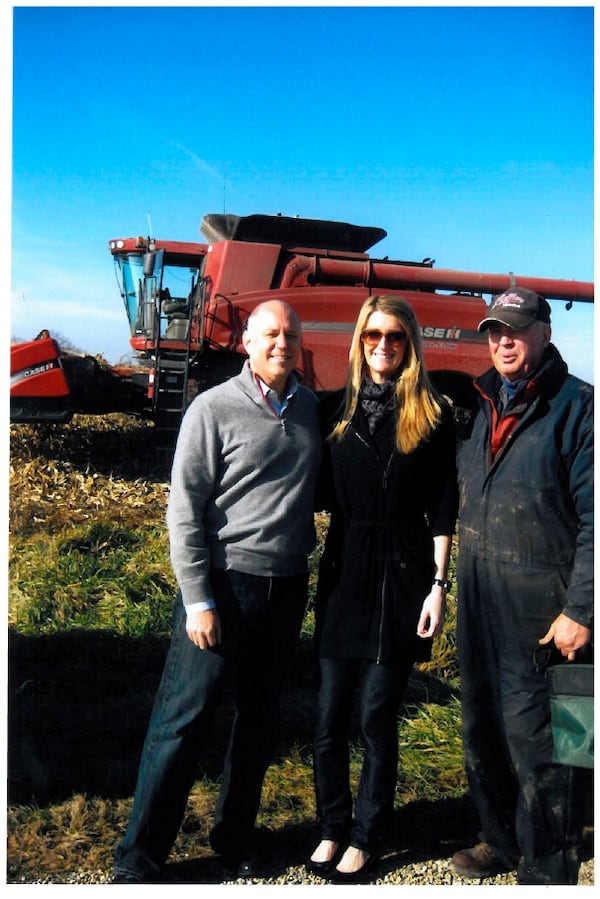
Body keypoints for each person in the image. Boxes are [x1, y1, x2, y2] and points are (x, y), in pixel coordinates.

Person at [113, 300, 322, 883]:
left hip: (286, 586)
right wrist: (198, 598)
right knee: (182, 721)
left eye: (291, 333)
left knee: (258, 721)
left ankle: (235, 838)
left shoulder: (309, 407)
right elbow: (184, 512)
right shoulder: (213, 409)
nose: (282, 342)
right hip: (226, 587)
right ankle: (140, 855)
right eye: (270, 334)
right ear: (247, 344)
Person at [307, 295, 458, 883]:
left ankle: (368, 835)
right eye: (373, 335)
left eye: (394, 336)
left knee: (375, 715)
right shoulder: (332, 410)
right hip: (345, 567)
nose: (383, 345)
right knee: (327, 715)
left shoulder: (433, 413)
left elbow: (445, 506)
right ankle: (329, 826)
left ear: (410, 342)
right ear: (359, 340)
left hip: (405, 570)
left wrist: (438, 586)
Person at [450, 287, 593, 885]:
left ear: (545, 333)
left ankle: (548, 865)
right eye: (493, 330)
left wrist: (583, 608)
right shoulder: (480, 403)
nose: (502, 340)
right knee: (482, 730)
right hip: (482, 601)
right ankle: (501, 841)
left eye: (515, 329)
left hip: (549, 614)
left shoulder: (578, 407)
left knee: (552, 747)